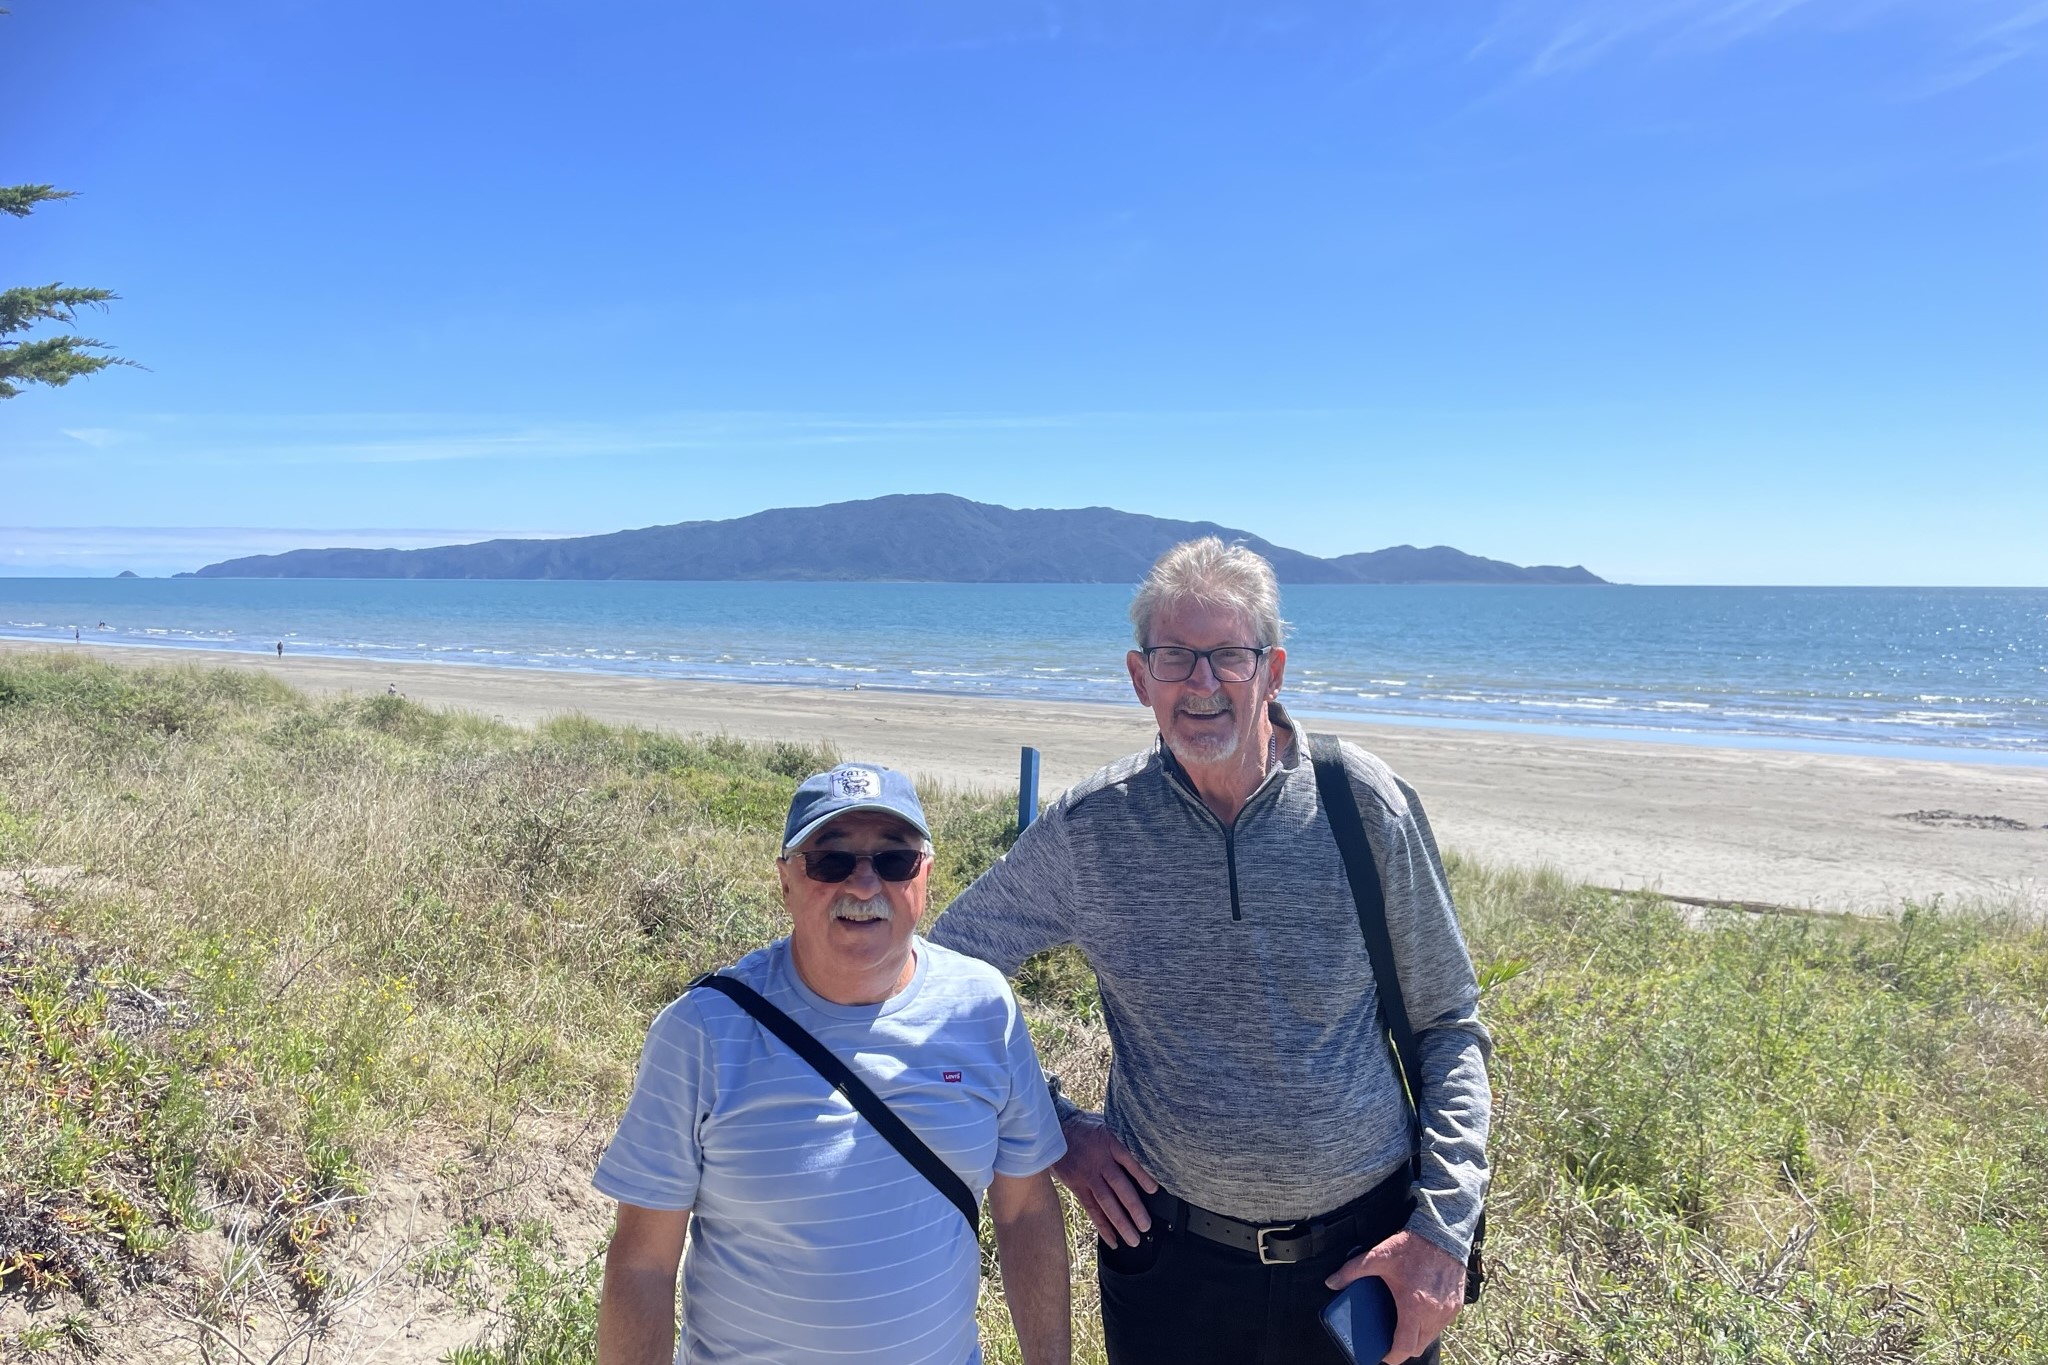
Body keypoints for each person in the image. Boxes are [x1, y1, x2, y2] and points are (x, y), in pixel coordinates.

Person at [929, 538, 1492, 1365]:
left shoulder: (1361, 804)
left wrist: (1441, 1231)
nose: (1202, 683)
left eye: (1229, 655)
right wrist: (1058, 1132)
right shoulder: (1094, 830)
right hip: (1169, 1268)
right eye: (1174, 657)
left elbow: (1450, 1022)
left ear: (1273, 670)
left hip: (1363, 1262)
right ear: (1138, 676)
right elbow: (944, 967)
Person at [594, 762, 1073, 1365]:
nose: (865, 885)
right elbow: (643, 1263)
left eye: (894, 861)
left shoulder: (982, 1008)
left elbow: (1026, 1207)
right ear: (786, 881)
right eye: (831, 860)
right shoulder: (701, 1033)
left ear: (925, 876)